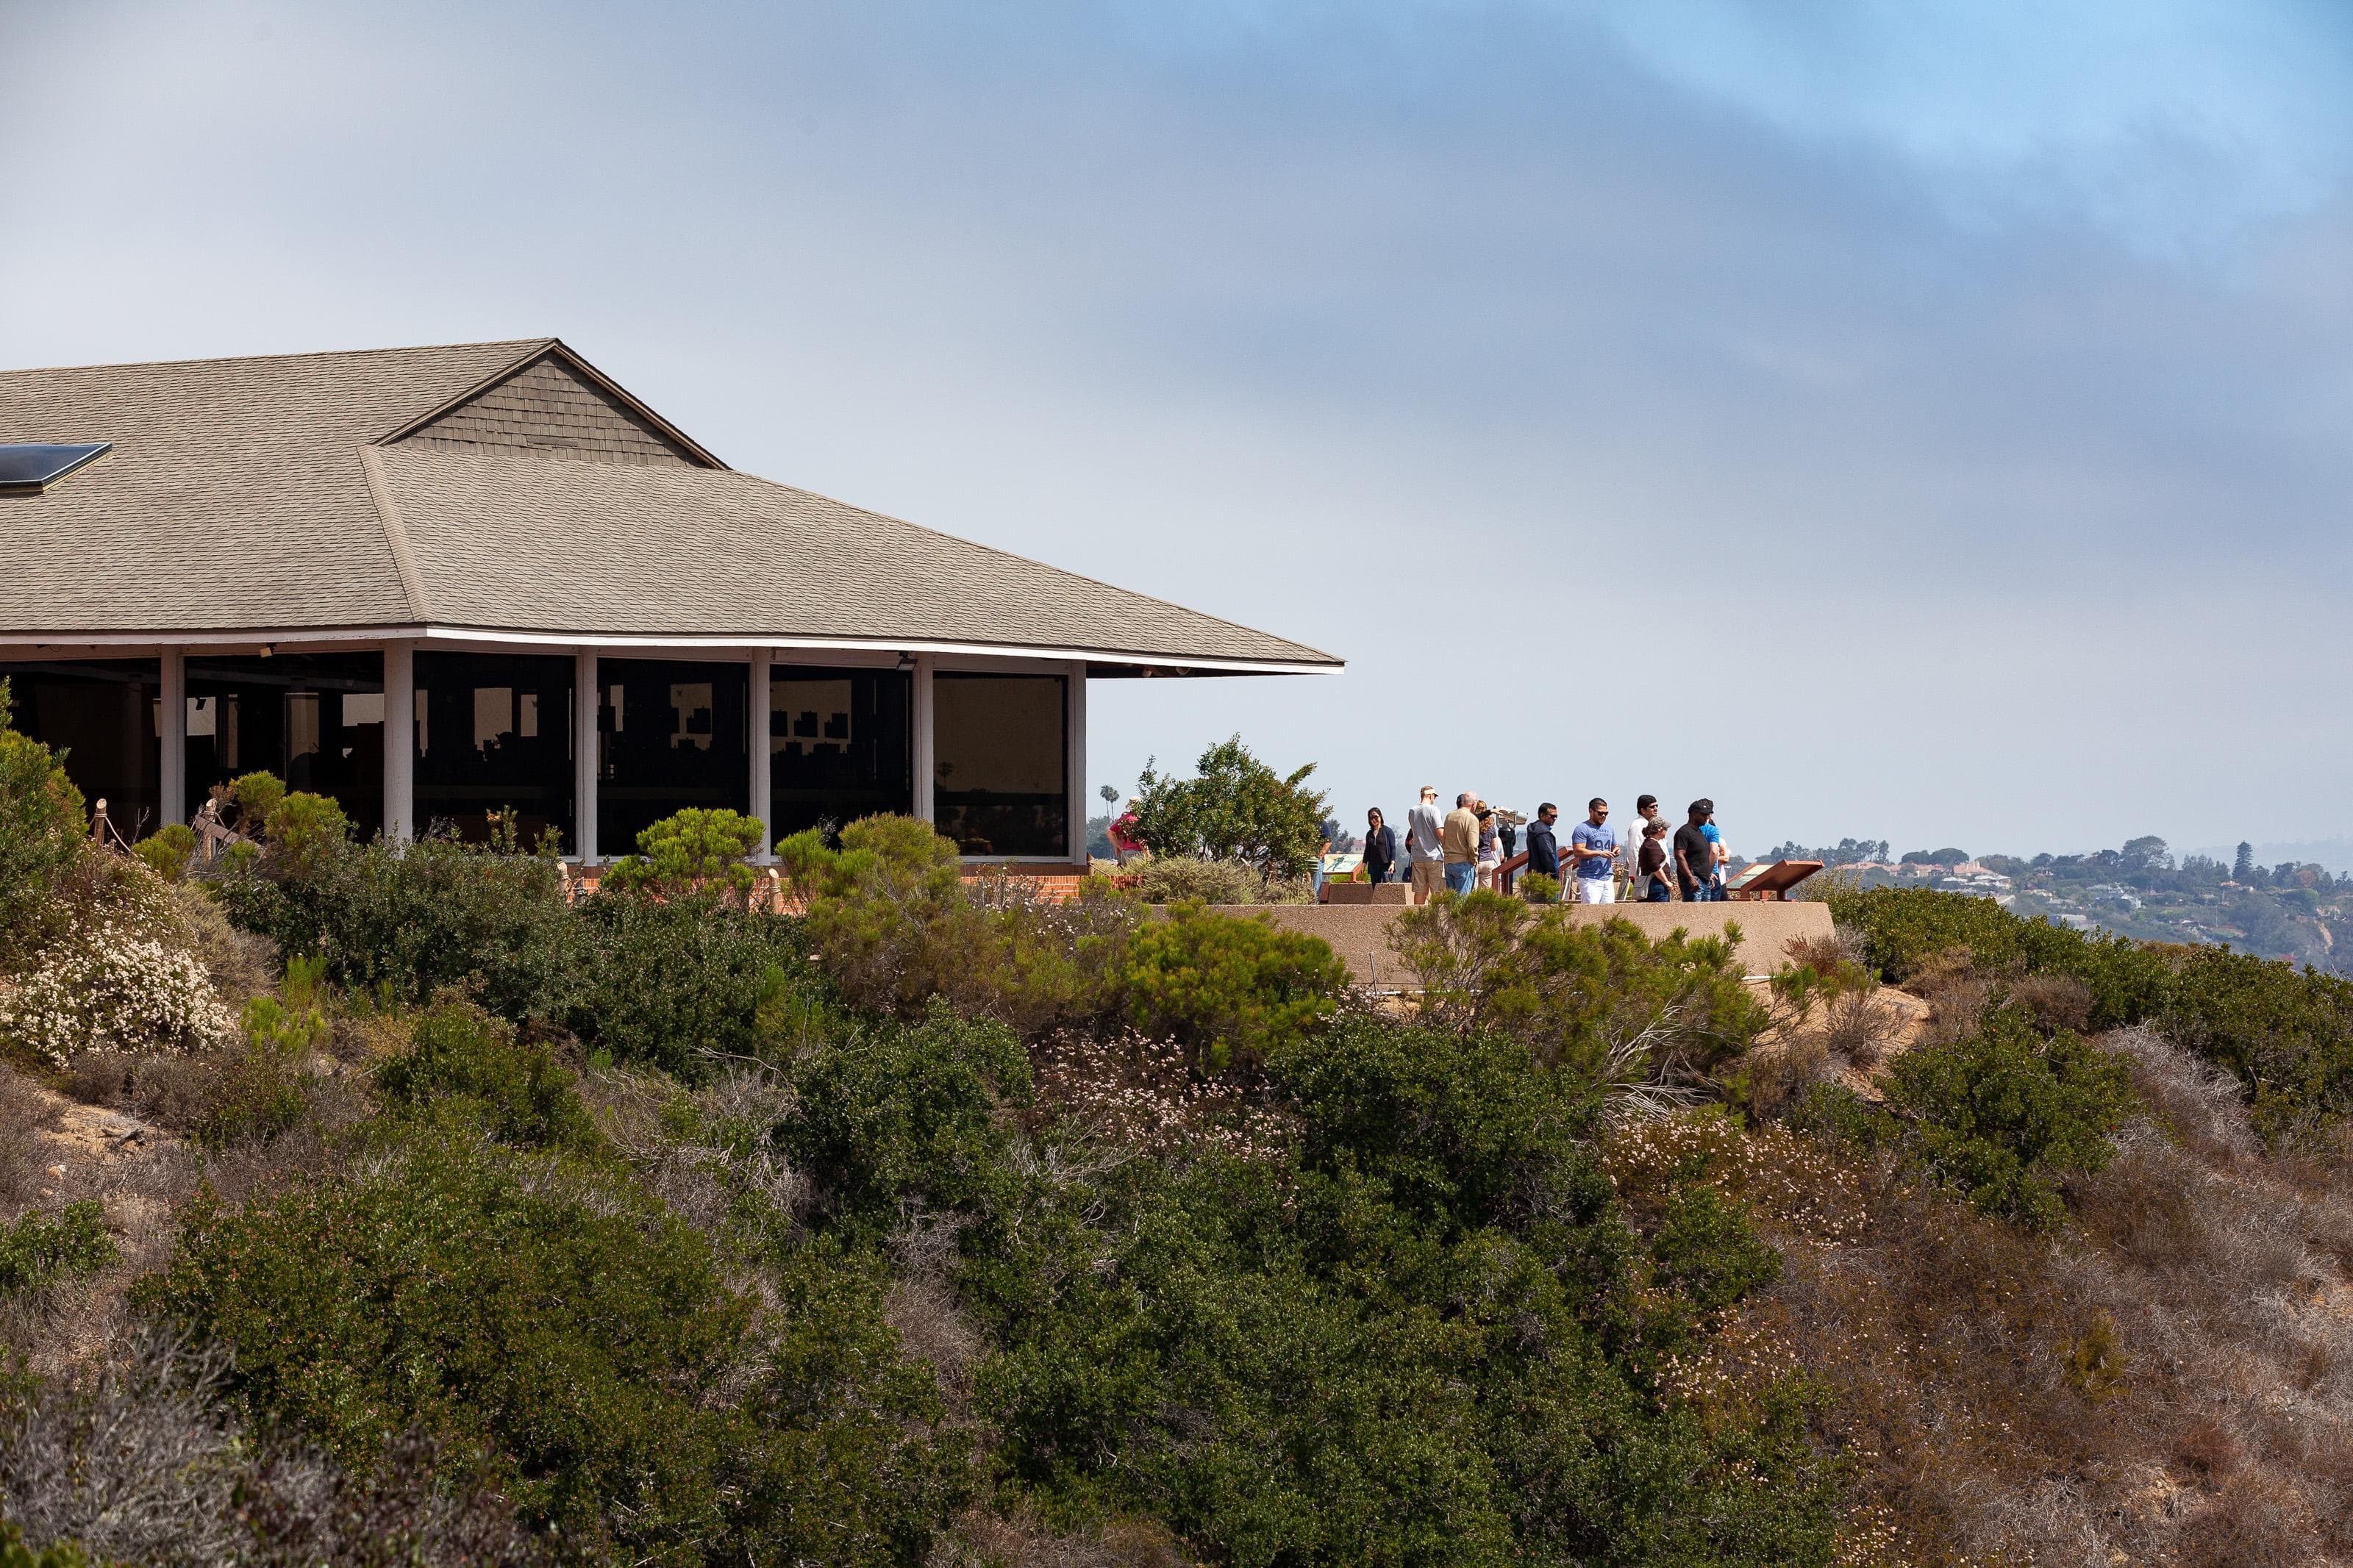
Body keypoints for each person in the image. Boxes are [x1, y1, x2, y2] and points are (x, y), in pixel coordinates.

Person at [1568, 798, 1620, 904]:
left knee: (1609, 913)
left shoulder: (1609, 829)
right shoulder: (1582, 829)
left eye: (1606, 813)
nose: (1603, 816)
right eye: (1600, 813)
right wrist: (1599, 853)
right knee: (1590, 910)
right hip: (1590, 878)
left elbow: (1615, 845)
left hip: (1607, 876)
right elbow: (1578, 851)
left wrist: (1616, 850)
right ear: (1591, 811)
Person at [1405, 786, 1446, 904]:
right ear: (1430, 796)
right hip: (1434, 856)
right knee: (1437, 890)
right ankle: (1437, 917)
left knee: (1419, 891)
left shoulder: (1412, 811)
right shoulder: (1434, 810)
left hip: (1418, 856)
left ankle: (1418, 918)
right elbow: (1440, 833)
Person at [1674, 800, 1715, 903]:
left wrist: (1707, 875)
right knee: (1693, 913)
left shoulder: (1699, 832)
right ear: (1693, 814)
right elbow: (1679, 856)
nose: (1707, 817)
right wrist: (1690, 878)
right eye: (1703, 814)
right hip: (1694, 879)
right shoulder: (1684, 832)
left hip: (1704, 880)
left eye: (1708, 814)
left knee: (1705, 914)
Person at [1441, 791, 1482, 896]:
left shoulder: (1449, 816)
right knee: (1462, 901)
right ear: (1474, 803)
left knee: (1451, 901)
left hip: (1449, 862)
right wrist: (1474, 860)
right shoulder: (1472, 819)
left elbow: (1444, 839)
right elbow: (1473, 845)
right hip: (1464, 862)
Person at [1523, 802, 1562, 901]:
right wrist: (1554, 874)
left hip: (1536, 875)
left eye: (1556, 816)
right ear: (1542, 816)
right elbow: (1547, 855)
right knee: (1550, 908)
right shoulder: (1543, 834)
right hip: (1546, 878)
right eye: (1552, 816)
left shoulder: (1535, 830)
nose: (1555, 819)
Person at [1638, 818, 1674, 901]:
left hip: (1654, 885)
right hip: (1657, 885)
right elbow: (1655, 866)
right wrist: (1666, 882)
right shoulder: (1653, 846)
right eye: (1665, 829)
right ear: (1660, 830)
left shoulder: (1649, 844)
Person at [1363, 807, 1398, 885]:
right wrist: (1364, 864)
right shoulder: (1369, 834)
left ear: (1380, 816)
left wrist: (1392, 863)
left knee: (1386, 888)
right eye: (1371, 818)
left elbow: (1393, 848)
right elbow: (1367, 850)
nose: (1374, 820)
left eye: (1376, 817)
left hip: (1386, 864)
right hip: (1373, 865)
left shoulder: (1388, 831)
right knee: (1376, 889)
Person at [1475, 805, 1502, 891]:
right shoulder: (1491, 827)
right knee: (1485, 891)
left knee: (1473, 890)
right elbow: (1494, 847)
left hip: (1475, 860)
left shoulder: (1472, 824)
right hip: (1488, 860)